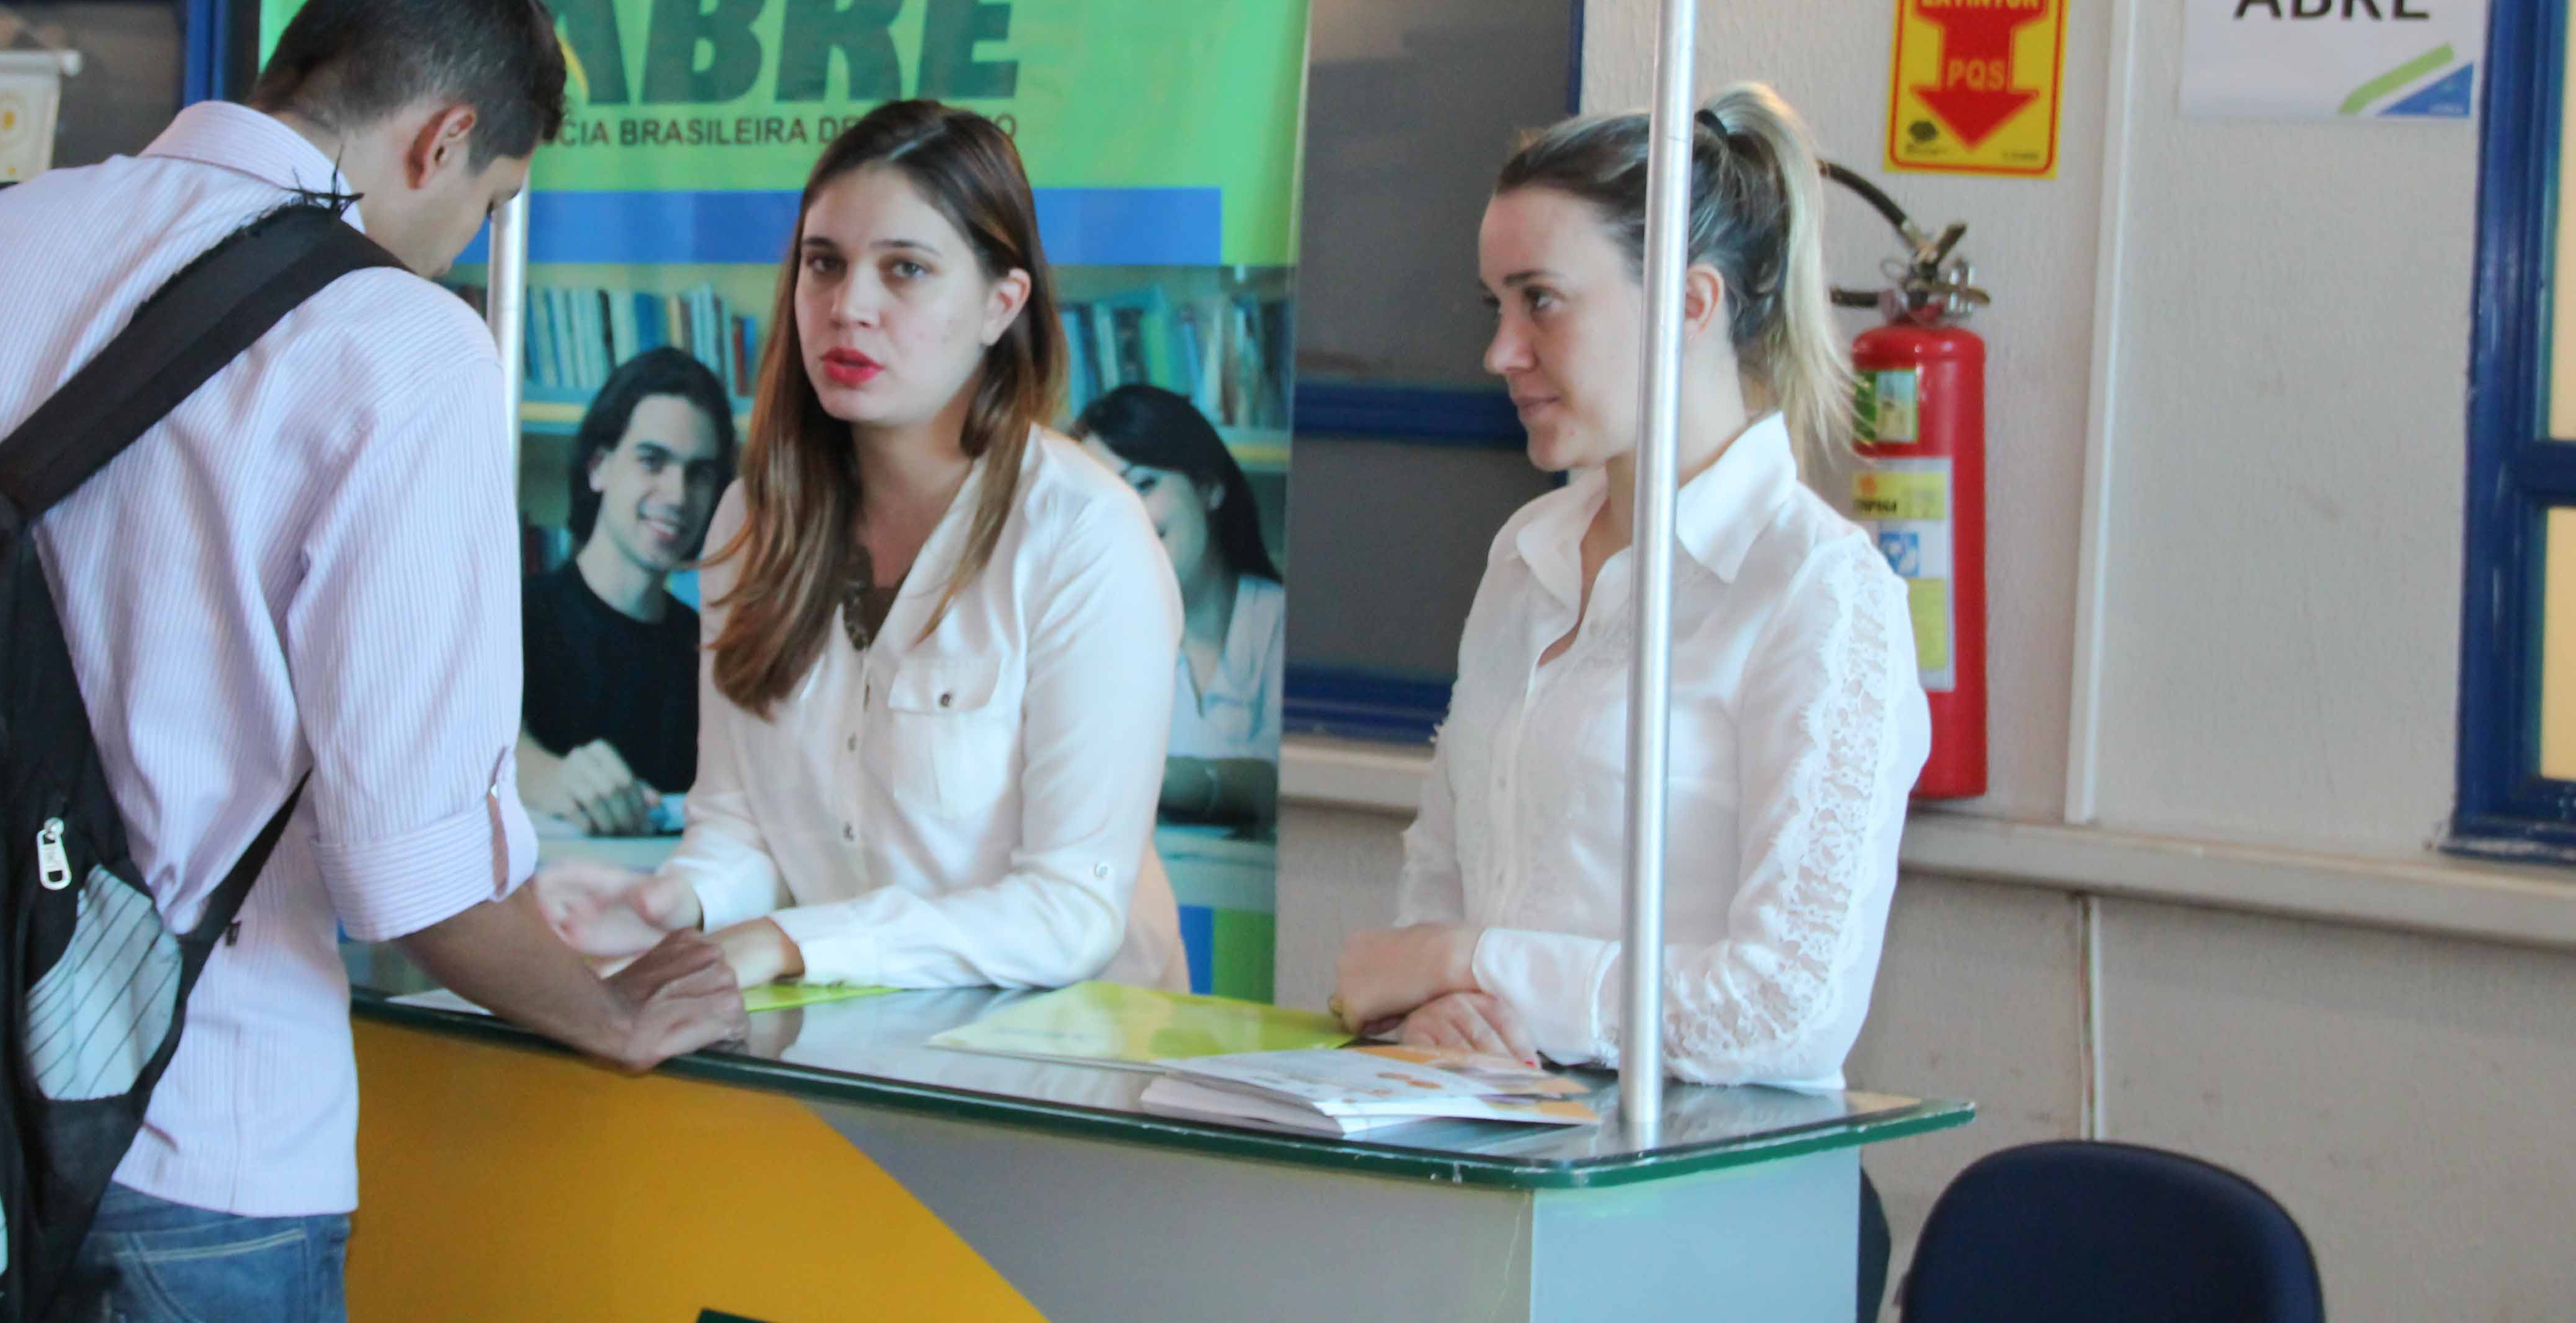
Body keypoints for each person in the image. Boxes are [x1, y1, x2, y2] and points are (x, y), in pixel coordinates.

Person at [0, 0, 743, 1323]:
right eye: (493, 199)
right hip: (191, 1141)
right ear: (443, 139)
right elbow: (416, 876)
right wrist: (608, 1010)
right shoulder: (400, 345)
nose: (471, 238)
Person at [1332, 84, 1928, 1098]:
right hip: (1500, 1141)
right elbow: (1434, 894)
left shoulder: (1817, 592)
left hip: (1706, 1188)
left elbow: (1785, 1008)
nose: (1499, 352)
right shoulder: (1525, 555)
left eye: (1541, 301)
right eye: (1496, 306)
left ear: (1690, 305)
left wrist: (1468, 968)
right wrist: (1425, 1002)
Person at [534, 100, 1189, 994]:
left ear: (1002, 305)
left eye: (906, 270)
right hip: (843, 1053)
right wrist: (670, 904)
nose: (850, 308)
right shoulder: (748, 522)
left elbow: (1071, 910)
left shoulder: (1085, 534)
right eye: (824, 265)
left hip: (1058, 1075)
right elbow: (739, 833)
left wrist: (798, 944)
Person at [516, 346, 737, 836]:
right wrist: (543, 776)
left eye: (698, 473)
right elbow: (466, 750)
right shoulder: (513, 617)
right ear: (598, 467)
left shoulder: (716, 655)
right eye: (653, 461)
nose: (678, 495)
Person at [1074, 384, 1284, 834]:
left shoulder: (1284, 624)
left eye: (1143, 485)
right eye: (1102, 498)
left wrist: (1175, 781)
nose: (1124, 516)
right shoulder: (1089, 640)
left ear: (1208, 488)